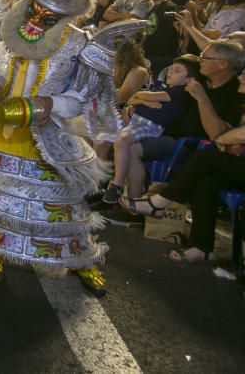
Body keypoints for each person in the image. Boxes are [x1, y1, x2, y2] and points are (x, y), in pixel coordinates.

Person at [0, 0, 138, 297]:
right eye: (35, 8)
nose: (39, 18)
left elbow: (83, 97)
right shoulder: (2, 27)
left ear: (67, 16)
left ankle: (80, 258)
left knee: (61, 206)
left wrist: (50, 105)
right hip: (1, 131)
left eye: (50, 15)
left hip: (50, 136)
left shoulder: (78, 44)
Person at [124, 71, 245, 264]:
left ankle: (160, 202)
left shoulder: (226, 98)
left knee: (207, 155)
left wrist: (222, 140)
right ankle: (202, 248)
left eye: (244, 75)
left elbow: (233, 135)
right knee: (208, 182)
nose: (239, 77)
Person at [123, 39, 244, 198]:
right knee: (111, 137)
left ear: (222, 64)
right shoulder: (199, 78)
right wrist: (136, 107)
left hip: (193, 148)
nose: (200, 59)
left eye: (205, 57)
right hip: (164, 132)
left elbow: (217, 135)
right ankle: (109, 194)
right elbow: (167, 101)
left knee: (128, 146)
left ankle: (133, 204)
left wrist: (202, 98)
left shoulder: (234, 94)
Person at [102, 55, 202, 204]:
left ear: (188, 79)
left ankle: (117, 184)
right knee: (105, 137)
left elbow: (147, 96)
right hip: (136, 123)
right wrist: (142, 100)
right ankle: (127, 200)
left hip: (149, 126)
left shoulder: (180, 92)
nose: (170, 73)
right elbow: (131, 100)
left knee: (121, 139)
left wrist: (140, 96)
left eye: (177, 71)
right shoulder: (165, 87)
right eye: (171, 69)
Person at [140, 0, 180, 75]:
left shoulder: (171, 8)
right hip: (149, 55)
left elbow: (182, 32)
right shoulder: (151, 9)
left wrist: (180, 53)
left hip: (164, 57)